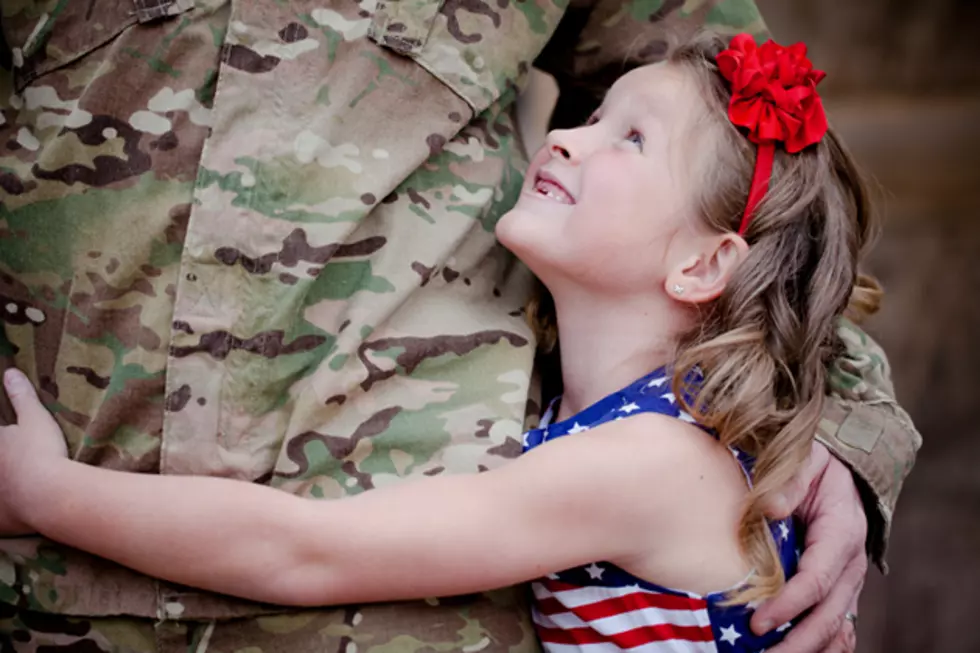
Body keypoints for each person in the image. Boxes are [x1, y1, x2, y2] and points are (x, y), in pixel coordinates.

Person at [0, 1, 920, 651]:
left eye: (628, 140)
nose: (561, 137)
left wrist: (44, 492)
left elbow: (301, 551)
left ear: (706, 264)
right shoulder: (623, 434)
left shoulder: (644, 463)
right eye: (591, 115)